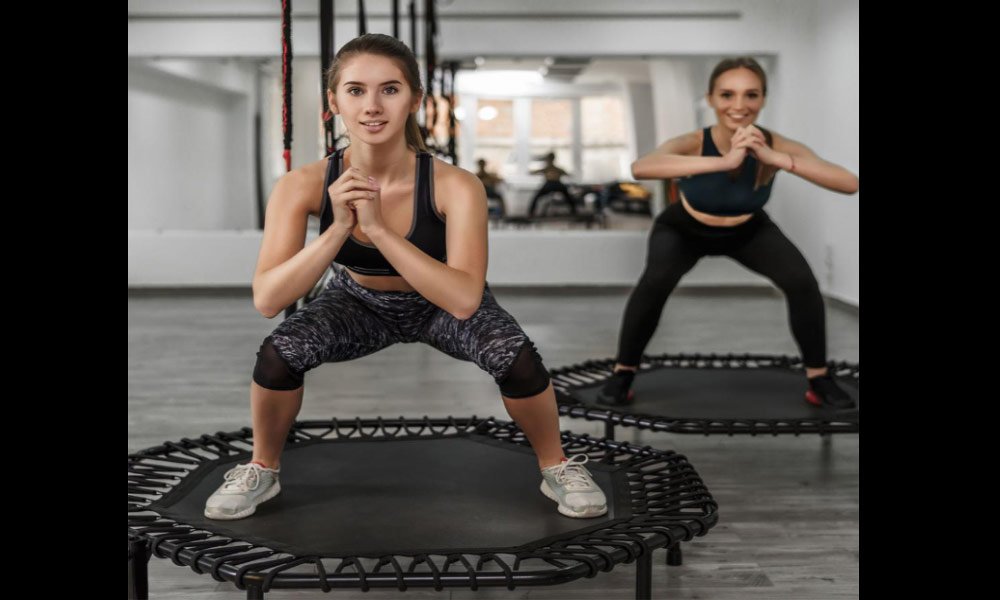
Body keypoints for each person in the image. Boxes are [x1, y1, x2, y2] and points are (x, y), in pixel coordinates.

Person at [204, 34, 606, 521]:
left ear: (415, 99)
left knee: (516, 359)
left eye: (389, 90)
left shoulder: (456, 185)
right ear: (333, 103)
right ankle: (262, 468)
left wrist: (376, 229)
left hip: (437, 303)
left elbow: (462, 299)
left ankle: (556, 466)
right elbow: (268, 298)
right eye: (355, 91)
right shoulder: (302, 185)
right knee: (278, 354)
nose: (372, 106)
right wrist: (340, 230)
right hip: (357, 303)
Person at [598, 57, 858, 411]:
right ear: (711, 99)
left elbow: (849, 183)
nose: (739, 106)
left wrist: (775, 158)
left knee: (802, 282)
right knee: (654, 283)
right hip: (684, 228)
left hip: (747, 228)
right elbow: (642, 167)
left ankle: (818, 378)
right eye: (727, 95)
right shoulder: (693, 141)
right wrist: (725, 161)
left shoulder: (774, 143)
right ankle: (623, 372)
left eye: (750, 95)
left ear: (763, 99)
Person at [528, 152, 573, 216]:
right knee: (536, 197)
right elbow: (567, 174)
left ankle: (573, 211)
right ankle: (531, 213)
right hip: (551, 184)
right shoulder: (548, 168)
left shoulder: (554, 169)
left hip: (555, 184)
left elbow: (567, 174)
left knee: (568, 196)